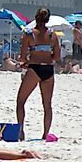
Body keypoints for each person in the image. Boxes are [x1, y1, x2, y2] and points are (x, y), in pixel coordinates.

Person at [16, 8, 61, 141]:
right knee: (47, 105)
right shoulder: (53, 35)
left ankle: (21, 132)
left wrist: (27, 61)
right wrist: (47, 56)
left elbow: (22, 57)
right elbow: (57, 56)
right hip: (48, 69)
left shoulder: (29, 34)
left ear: (36, 18)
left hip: (34, 69)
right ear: (48, 20)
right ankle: (45, 134)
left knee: (21, 101)